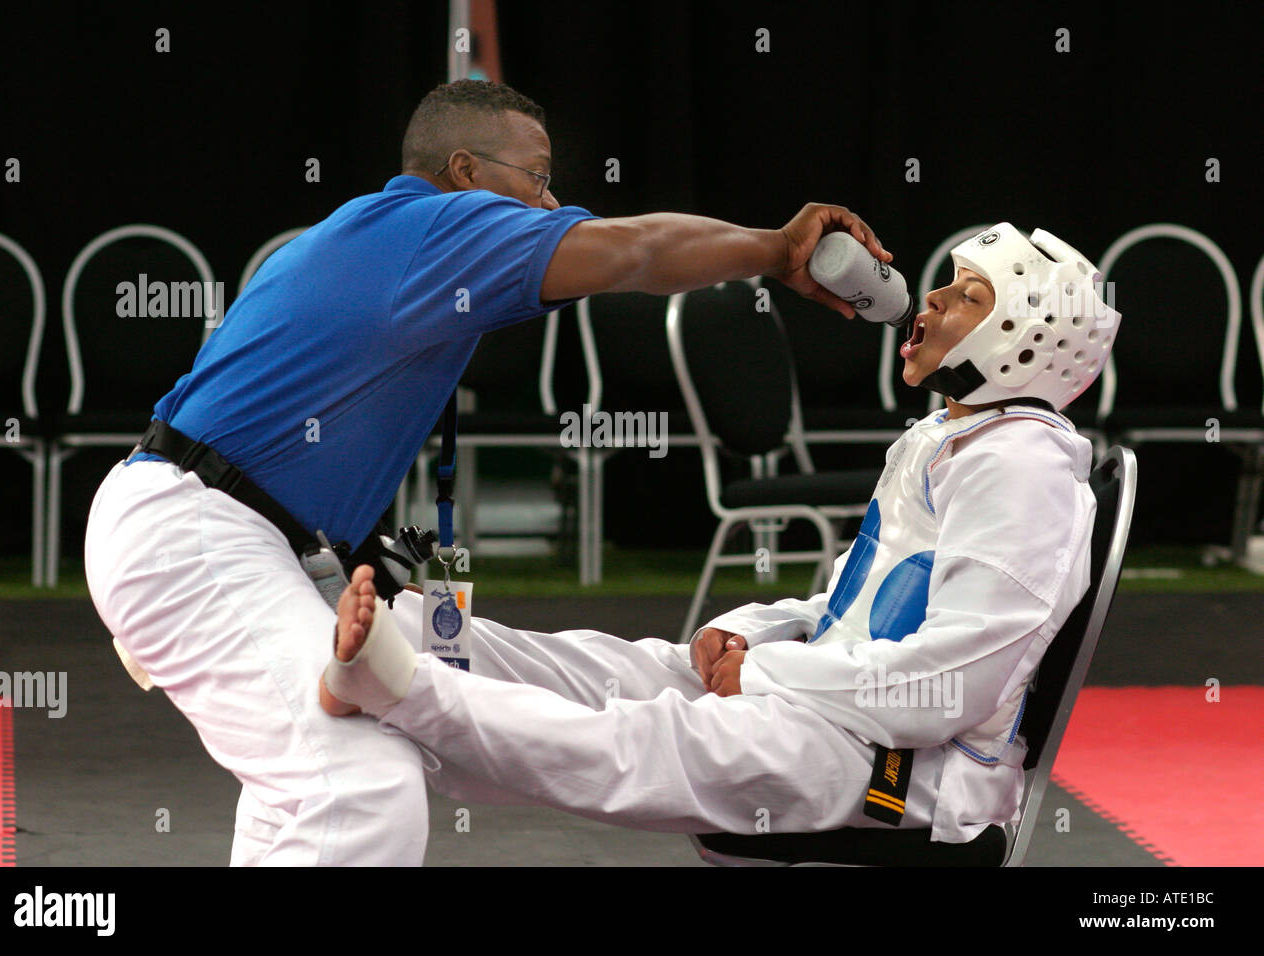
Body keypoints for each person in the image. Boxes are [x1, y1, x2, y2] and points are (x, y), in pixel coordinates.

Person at [83, 77, 893, 865]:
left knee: (318, 770)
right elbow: (636, 250)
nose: (549, 204)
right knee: (354, 785)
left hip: (234, 535)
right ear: (466, 173)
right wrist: (778, 249)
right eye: (537, 179)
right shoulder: (435, 226)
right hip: (198, 536)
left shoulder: (374, 236)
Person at [318, 221, 1122, 845]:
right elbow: (849, 607)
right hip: (841, 710)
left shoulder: (1021, 468)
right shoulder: (951, 438)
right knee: (613, 669)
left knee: (652, 739)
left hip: (906, 775)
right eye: (948, 284)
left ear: (1026, 342)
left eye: (969, 298)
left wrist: (766, 677)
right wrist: (743, 633)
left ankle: (401, 685)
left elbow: (946, 688)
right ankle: (417, 637)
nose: (934, 301)